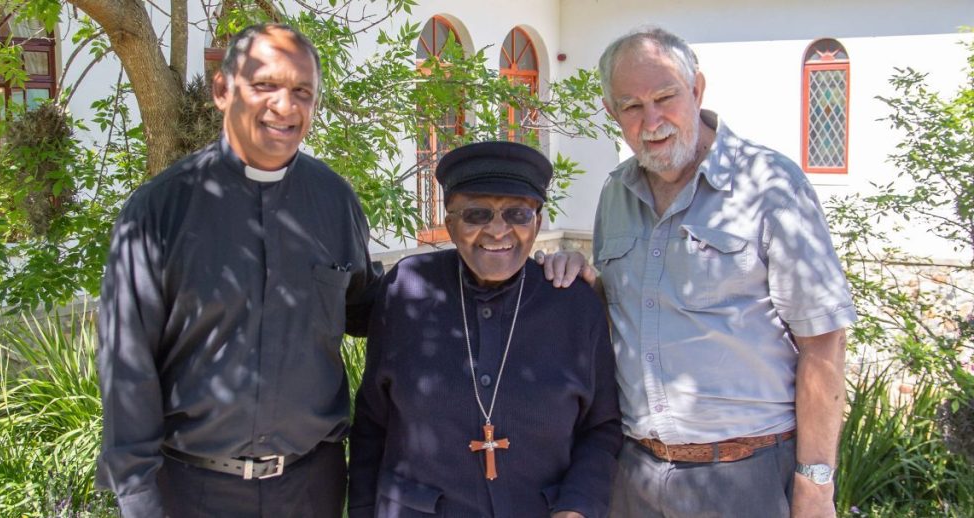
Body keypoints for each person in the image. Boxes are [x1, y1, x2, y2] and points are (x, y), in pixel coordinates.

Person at [95, 24, 381, 517]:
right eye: (265, 85)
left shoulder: (334, 201)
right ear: (222, 90)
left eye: (302, 92)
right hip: (192, 491)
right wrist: (138, 499)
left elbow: (369, 308)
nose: (285, 106)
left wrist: (481, 278)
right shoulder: (159, 210)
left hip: (311, 488)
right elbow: (127, 363)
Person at [590, 28, 857, 517]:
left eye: (665, 98)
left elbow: (824, 341)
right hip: (635, 476)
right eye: (632, 107)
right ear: (612, 113)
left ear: (696, 89)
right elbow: (612, 313)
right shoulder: (615, 194)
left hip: (745, 478)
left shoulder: (770, 184)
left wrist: (816, 485)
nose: (652, 121)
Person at [348, 141, 622, 518]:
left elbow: (602, 427)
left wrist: (578, 506)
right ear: (450, 224)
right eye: (476, 214)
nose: (497, 230)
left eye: (517, 214)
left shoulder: (573, 304)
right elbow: (371, 423)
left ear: (537, 222)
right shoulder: (405, 290)